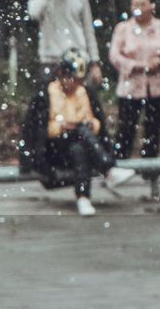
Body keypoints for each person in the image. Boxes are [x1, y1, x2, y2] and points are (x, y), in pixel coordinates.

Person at [24, 50, 118, 216]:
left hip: (81, 144)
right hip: (55, 148)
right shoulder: (46, 93)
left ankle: (83, 197)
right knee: (79, 132)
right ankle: (107, 167)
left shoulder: (84, 92)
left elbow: (96, 122)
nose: (74, 83)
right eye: (72, 78)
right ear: (61, 73)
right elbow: (39, 130)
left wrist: (91, 125)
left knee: (79, 148)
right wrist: (61, 127)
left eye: (78, 80)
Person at [108, 0, 160, 163]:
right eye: (135, 4)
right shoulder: (123, 29)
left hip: (157, 85)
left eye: (143, 4)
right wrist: (137, 65)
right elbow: (114, 56)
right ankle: (120, 164)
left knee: (154, 128)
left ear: (151, 6)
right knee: (126, 128)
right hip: (130, 86)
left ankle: (150, 166)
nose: (139, 8)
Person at [27, 0, 103, 85]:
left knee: (84, 102)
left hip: (78, 59)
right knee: (45, 103)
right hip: (49, 60)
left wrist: (94, 63)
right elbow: (33, 13)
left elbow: (88, 30)